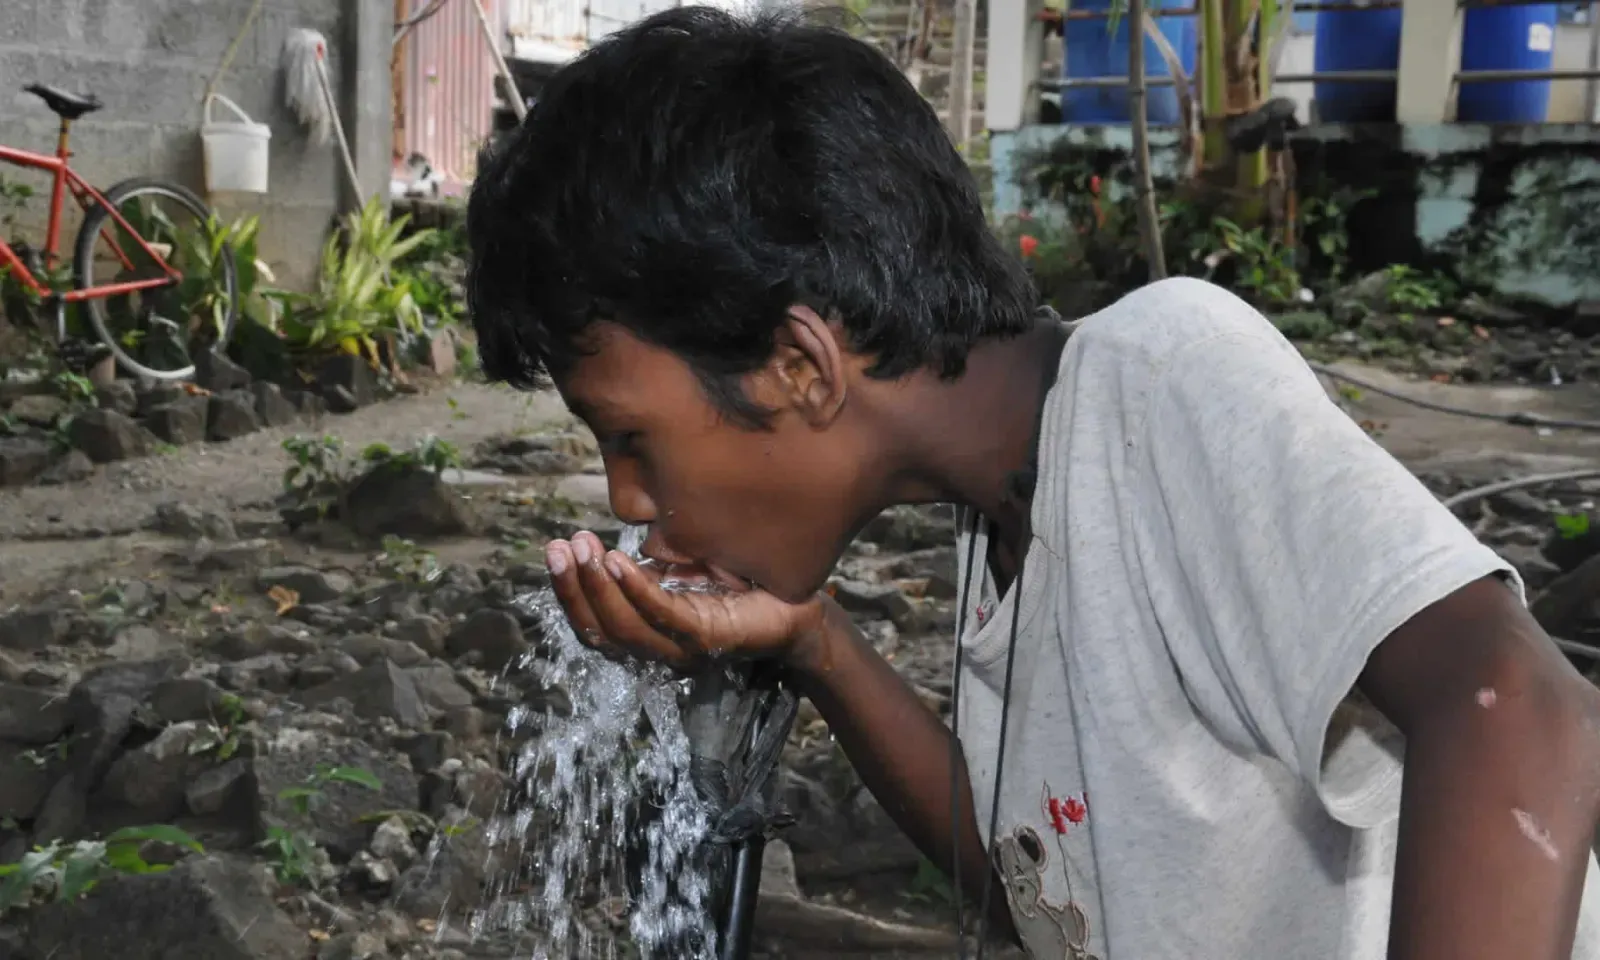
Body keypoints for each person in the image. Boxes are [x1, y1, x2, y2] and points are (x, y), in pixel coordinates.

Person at [466, 7, 1600, 958]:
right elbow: (1045, 894)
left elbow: (1517, 711)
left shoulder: (1162, 383)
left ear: (800, 366)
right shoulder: (1008, 510)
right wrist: (812, 646)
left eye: (629, 437)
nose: (626, 499)